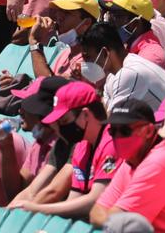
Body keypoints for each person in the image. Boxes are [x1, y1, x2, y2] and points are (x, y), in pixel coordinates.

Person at [89, 95, 165, 232]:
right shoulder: (129, 163)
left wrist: (110, 218)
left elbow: (119, 221)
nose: (117, 137)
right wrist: (110, 218)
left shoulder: (160, 162)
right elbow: (96, 212)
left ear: (148, 131)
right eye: (113, 131)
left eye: (124, 131)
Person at [11, 81, 113, 218]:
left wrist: (38, 209)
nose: (59, 128)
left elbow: (95, 200)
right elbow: (74, 199)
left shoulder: (112, 142)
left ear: (86, 115)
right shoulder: (82, 147)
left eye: (64, 121)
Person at [80, 22, 165, 110]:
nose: (86, 63)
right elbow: (105, 109)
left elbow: (112, 121)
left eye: (88, 57)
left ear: (105, 53)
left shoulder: (130, 73)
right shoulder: (112, 76)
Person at [101, 0, 165, 69]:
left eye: (118, 16)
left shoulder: (149, 57)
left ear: (136, 22)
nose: (111, 21)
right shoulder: (128, 47)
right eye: (111, 15)